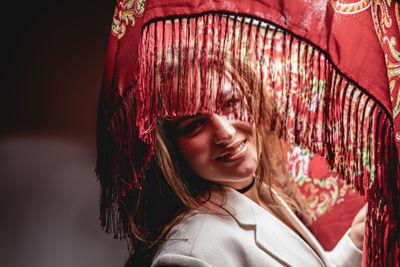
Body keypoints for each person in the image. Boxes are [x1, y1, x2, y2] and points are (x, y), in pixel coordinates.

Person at [121, 53, 366, 266]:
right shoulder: (188, 255)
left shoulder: (257, 189)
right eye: (195, 124)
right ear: (169, 149)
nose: (226, 132)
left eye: (229, 103)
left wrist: (356, 242)